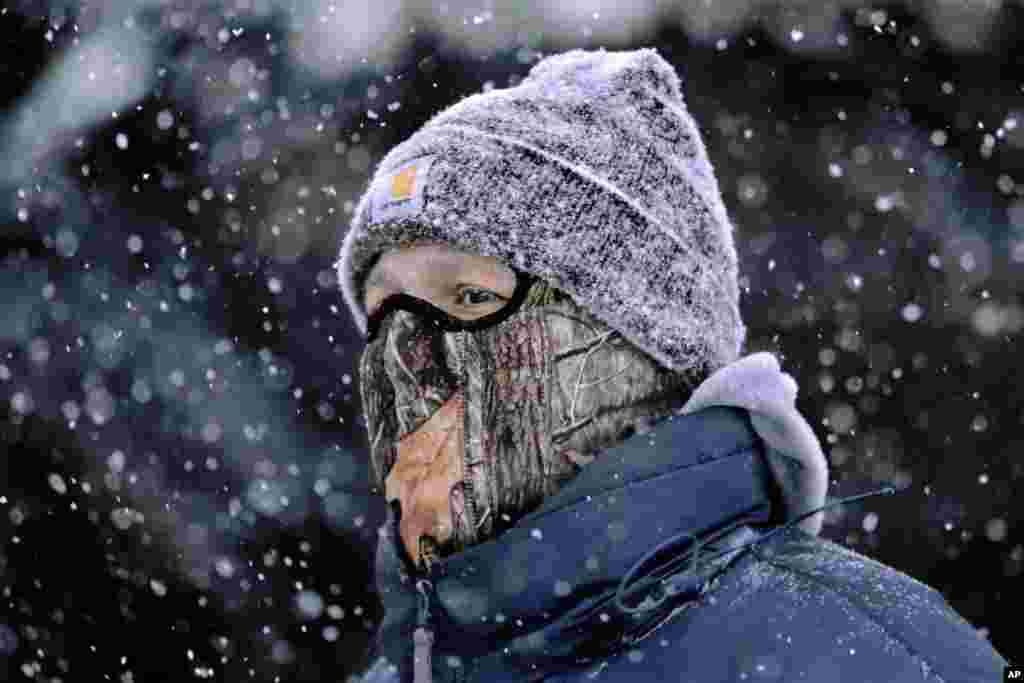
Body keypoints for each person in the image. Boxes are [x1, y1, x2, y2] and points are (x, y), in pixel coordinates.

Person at [335, 47, 1009, 683]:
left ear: (637, 345)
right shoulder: (410, 664)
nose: (407, 361)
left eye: (472, 296)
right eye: (383, 315)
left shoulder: (869, 655)